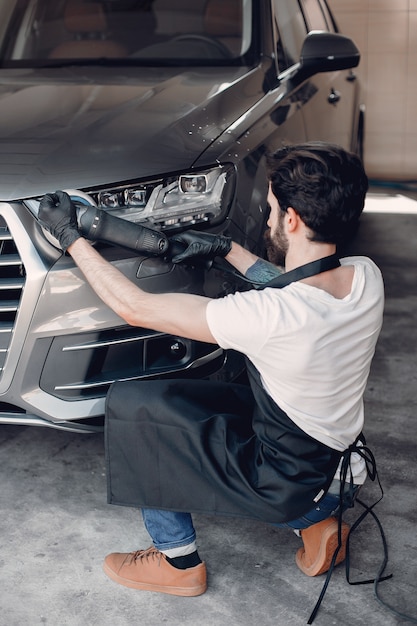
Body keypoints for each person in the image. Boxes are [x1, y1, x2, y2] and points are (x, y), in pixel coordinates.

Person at [38, 142, 384, 599]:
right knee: (217, 398)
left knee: (136, 409)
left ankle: (176, 562)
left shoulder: (269, 316)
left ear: (293, 221)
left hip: (286, 489)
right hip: (339, 476)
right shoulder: (364, 276)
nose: (267, 218)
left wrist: (71, 239)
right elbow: (294, 283)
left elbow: (135, 307)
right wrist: (228, 250)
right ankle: (321, 525)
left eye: (272, 209)